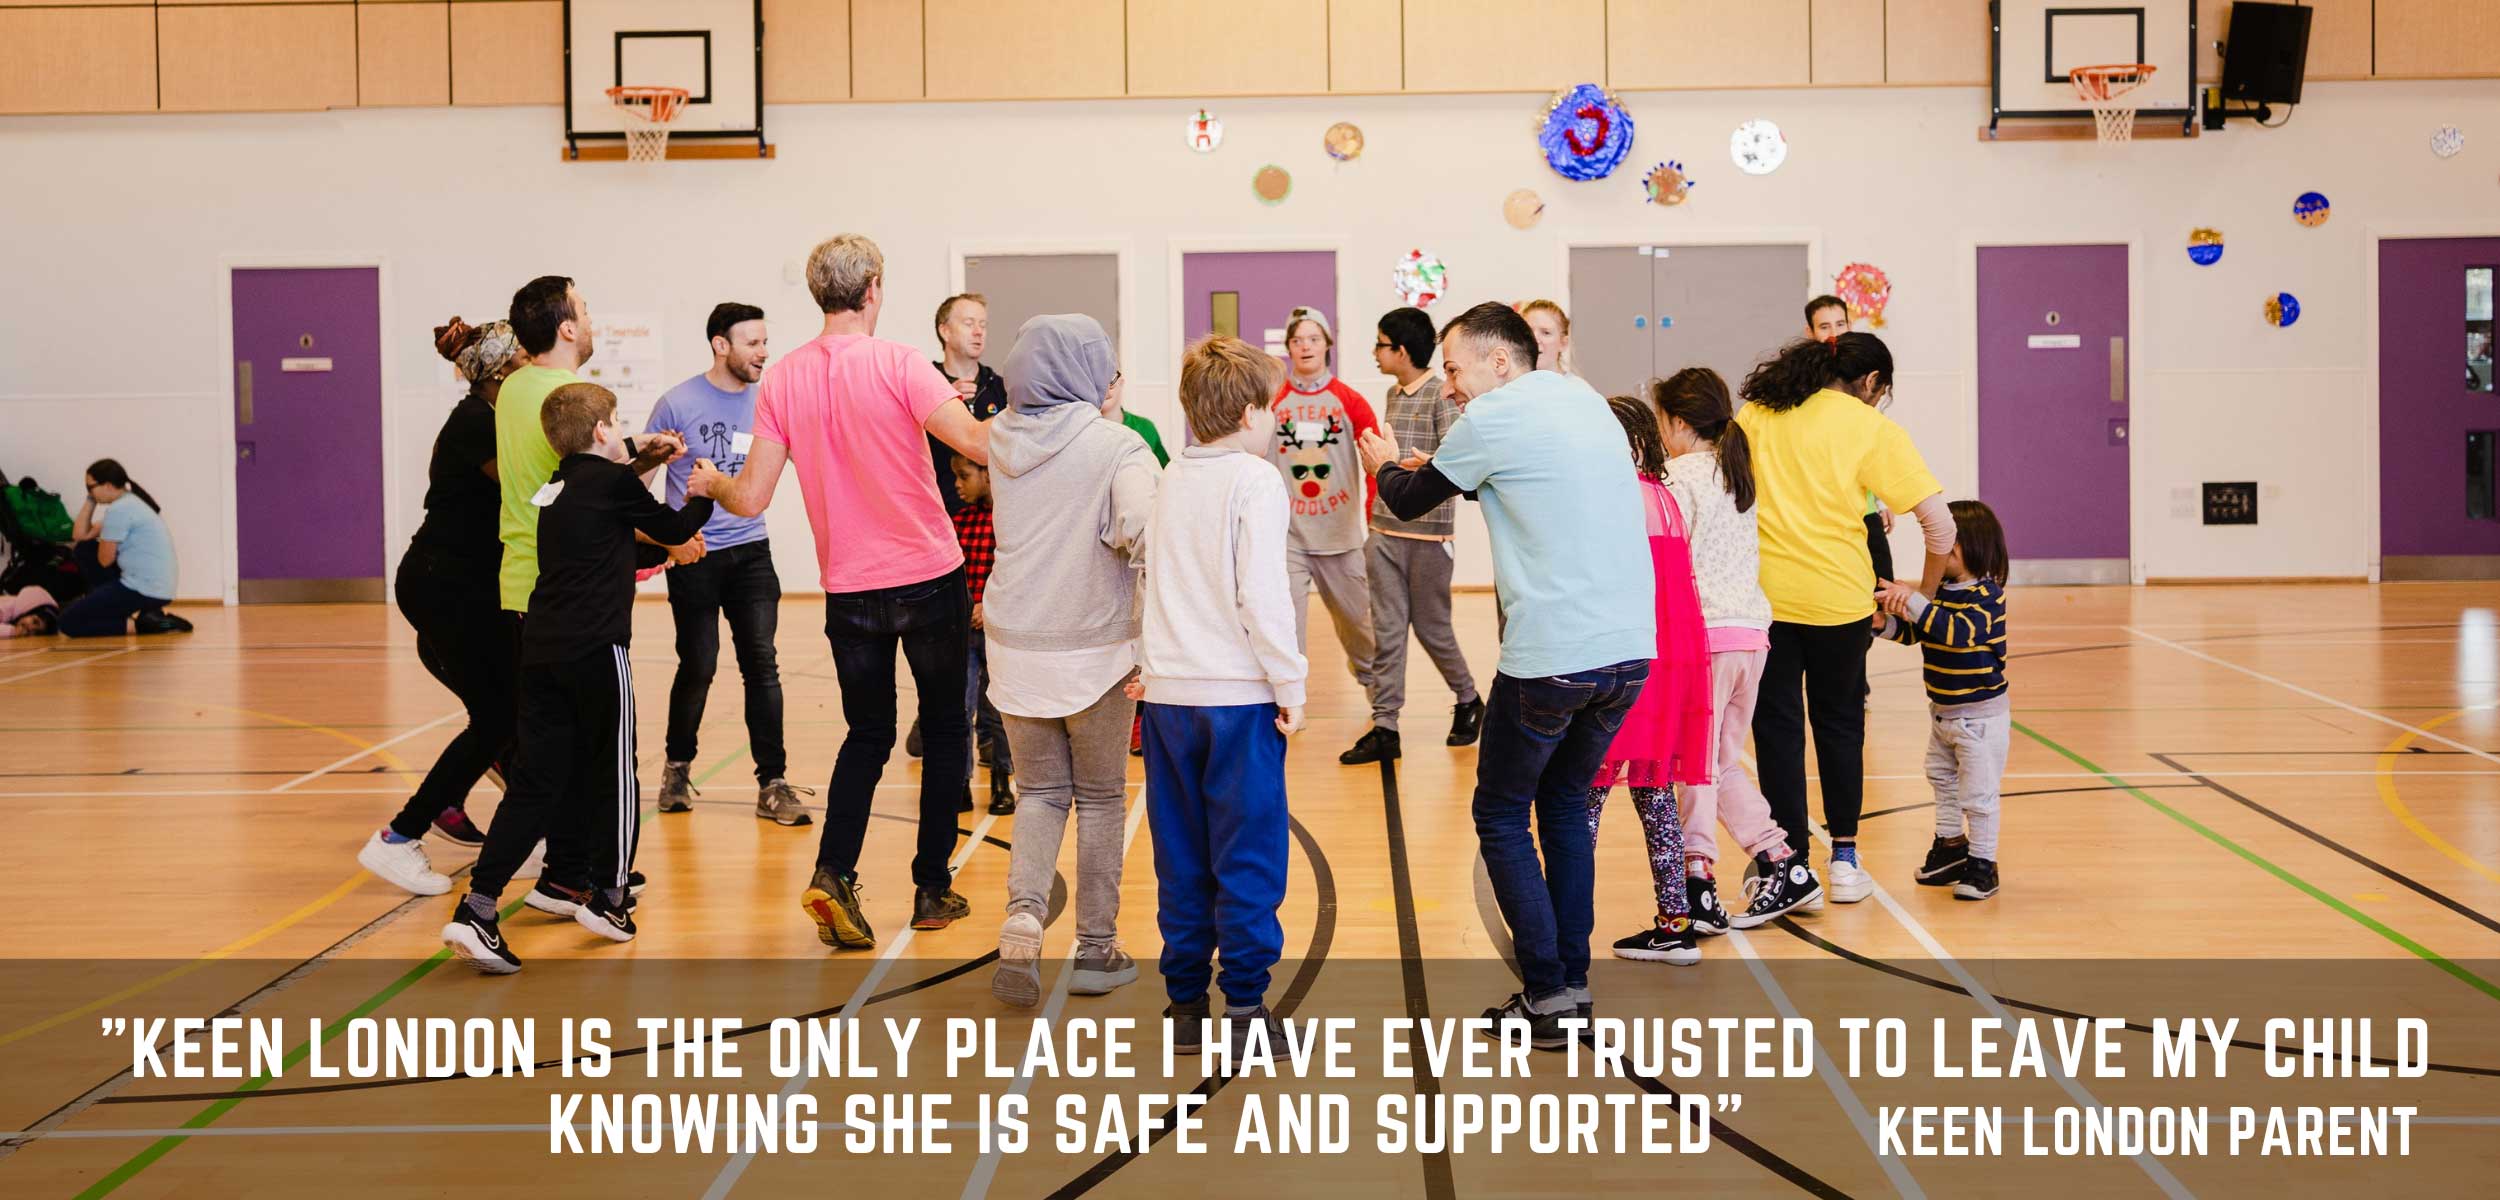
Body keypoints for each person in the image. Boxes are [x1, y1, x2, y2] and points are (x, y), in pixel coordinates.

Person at [1360, 302, 1652, 1049]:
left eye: (1454, 368)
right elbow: (1515, 479)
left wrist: (1384, 460)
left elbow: (1403, 500)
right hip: (1627, 652)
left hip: (1553, 654)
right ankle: (1571, 985)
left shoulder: (1492, 418)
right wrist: (1440, 468)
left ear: (1499, 362)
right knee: (1562, 809)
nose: (1450, 386)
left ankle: (1548, 990)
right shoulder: (1583, 400)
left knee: (1500, 813)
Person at [710, 234, 995, 950]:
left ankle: (835, 871)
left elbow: (750, 498)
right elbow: (981, 447)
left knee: (867, 734)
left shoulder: (782, 379)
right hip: (930, 576)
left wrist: (711, 483)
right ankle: (932, 888)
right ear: (872, 288)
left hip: (850, 590)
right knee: (946, 726)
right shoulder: (901, 362)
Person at [441, 383, 723, 973]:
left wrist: (664, 552)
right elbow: (672, 528)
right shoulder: (615, 483)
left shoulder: (556, 489)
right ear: (602, 431)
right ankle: (611, 899)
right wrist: (705, 493)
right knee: (616, 775)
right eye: (615, 420)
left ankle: (479, 907)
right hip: (596, 651)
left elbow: (608, 553)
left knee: (534, 786)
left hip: (542, 654)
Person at [1737, 333, 1954, 905]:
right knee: (1839, 728)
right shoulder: (1870, 428)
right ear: (1871, 383)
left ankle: (1787, 867)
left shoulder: (1758, 412)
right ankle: (1846, 860)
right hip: (1841, 605)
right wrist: (1919, 598)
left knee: (1776, 733)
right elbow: (1943, 527)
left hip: (1767, 603)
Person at [983, 314, 1158, 1009]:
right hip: (1094, 652)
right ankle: (1094, 947)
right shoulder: (1119, 447)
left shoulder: (999, 437)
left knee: (1040, 794)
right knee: (1102, 797)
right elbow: (1140, 533)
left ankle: (1024, 919)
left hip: (1015, 646)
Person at [1139, 334, 1304, 1050]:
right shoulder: (1254, 480)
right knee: (1248, 853)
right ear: (1246, 413)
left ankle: (1183, 1006)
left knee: (1180, 853)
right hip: (1237, 698)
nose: (1273, 421)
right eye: (1269, 408)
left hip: (1169, 698)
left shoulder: (1170, 475)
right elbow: (1263, 594)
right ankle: (1244, 1007)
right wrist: (1289, 681)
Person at [496, 276, 681, 912]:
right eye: (585, 308)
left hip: (528, 585)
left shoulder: (516, 387)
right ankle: (594, 878)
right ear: (567, 328)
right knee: (599, 751)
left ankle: (566, 872)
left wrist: (637, 454)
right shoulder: (563, 395)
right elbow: (593, 482)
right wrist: (649, 470)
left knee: (563, 748)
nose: (592, 317)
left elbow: (577, 476)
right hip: (565, 593)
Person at [356, 318, 523, 897]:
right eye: (523, 359)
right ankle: (399, 838)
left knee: (515, 713)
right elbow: (528, 487)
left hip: (472, 587)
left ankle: (524, 834)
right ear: (502, 370)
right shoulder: (475, 422)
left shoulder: (497, 417)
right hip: (441, 585)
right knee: (499, 718)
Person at [1652, 369, 1818, 932]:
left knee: (1694, 764)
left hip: (1706, 637)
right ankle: (1781, 862)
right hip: (1751, 633)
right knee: (1718, 761)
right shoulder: (1736, 472)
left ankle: (1701, 879)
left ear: (1676, 422)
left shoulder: (1676, 476)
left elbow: (1667, 562)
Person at [645, 303, 810, 827]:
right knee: (699, 664)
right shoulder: (676, 404)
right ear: (722, 345)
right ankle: (676, 768)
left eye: (765, 341)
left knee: (761, 662)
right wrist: (667, 544)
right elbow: (637, 486)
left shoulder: (770, 405)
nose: (764, 352)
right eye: (753, 343)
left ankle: (774, 783)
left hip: (751, 553)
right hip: (696, 553)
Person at [1588, 396, 1713, 967]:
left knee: (1582, 795)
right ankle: (1676, 923)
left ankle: (1566, 923)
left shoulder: (1613, 501)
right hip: (1671, 665)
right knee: (1655, 791)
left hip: (1626, 662)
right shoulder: (1662, 495)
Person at [1266, 307, 1389, 765]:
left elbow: (1376, 459)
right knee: (1285, 626)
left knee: (1359, 623)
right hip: (1289, 538)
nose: (1305, 346)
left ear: (1326, 345)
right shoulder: (1272, 400)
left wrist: (1374, 513)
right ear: (1289, 347)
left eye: (1314, 338)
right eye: (1298, 339)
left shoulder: (1349, 401)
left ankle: (1382, 704)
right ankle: (1287, 705)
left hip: (1340, 536)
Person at [1876, 500, 2010, 902]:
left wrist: (1914, 600)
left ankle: (1984, 863)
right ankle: (1951, 847)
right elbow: (1920, 633)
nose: (1944, 552)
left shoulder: (1988, 596)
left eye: (1952, 545)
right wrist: (1884, 626)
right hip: (1943, 713)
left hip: (1979, 719)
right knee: (1941, 779)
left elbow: (1955, 632)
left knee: (1979, 795)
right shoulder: (1941, 595)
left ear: (1976, 547)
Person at [1363, 307, 1482, 754]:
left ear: (1402, 350)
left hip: (1429, 539)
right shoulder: (1393, 394)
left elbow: (1453, 464)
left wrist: (1411, 467)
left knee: (1434, 630)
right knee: (1387, 631)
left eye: (1380, 344)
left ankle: (1469, 699)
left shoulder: (1440, 395)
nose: (1374, 352)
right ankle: (1385, 725)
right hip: (1383, 532)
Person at [1804, 296, 1895, 594]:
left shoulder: (1866, 376)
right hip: (1825, 507)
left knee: (1881, 586)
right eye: (1824, 326)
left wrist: (1880, 497)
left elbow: (1871, 446)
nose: (1834, 333)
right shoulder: (1805, 383)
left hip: (1864, 505)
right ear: (1810, 332)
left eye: (1840, 324)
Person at [949, 455, 1014, 815]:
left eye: (964, 476)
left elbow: (1013, 572)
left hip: (998, 632)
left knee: (999, 712)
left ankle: (1001, 782)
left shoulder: (1010, 521)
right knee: (961, 709)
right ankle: (959, 783)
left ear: (988, 475)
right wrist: (966, 606)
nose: (957, 485)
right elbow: (953, 572)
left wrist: (987, 606)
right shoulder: (959, 521)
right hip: (963, 632)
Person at [60, 460, 188, 638]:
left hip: (142, 589)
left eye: (90, 487)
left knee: (68, 623)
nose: (88, 492)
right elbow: (79, 535)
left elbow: (105, 560)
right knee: (85, 548)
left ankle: (147, 625)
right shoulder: (131, 502)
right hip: (157, 588)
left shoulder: (119, 510)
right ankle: (148, 616)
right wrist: (92, 498)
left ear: (108, 485)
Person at [929, 293, 1009, 512]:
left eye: (983, 324)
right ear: (944, 330)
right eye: (969, 323)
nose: (978, 332)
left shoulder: (1002, 388)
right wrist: (942, 399)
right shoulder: (925, 383)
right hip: (940, 514)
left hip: (994, 520)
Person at [1519, 299, 1573, 375]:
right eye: (1528, 331)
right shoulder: (1509, 385)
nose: (1535, 339)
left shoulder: (1576, 386)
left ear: (1563, 343)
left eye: (1546, 333)